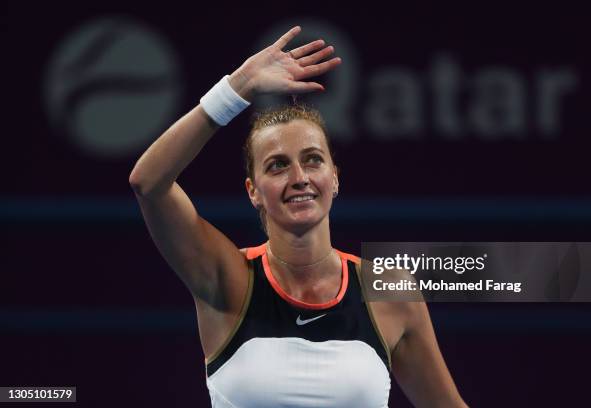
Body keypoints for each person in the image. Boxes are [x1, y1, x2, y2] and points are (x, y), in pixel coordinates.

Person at [129, 25, 467, 408]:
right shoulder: (227, 276)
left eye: (312, 160)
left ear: (334, 178)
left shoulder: (391, 294)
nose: (299, 178)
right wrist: (236, 88)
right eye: (277, 166)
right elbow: (148, 183)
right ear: (253, 191)